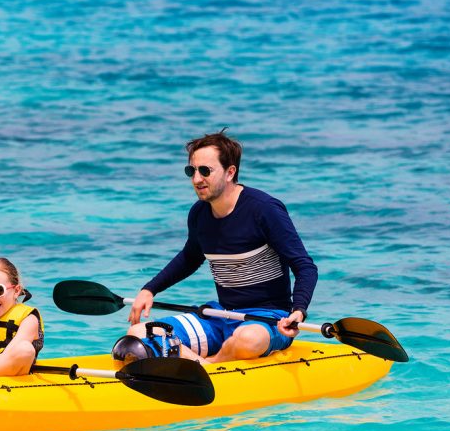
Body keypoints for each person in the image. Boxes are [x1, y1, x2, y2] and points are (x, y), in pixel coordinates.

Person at [119, 129, 318, 364]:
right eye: (191, 171)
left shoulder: (264, 210)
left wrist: (298, 311)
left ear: (230, 172)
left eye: (205, 171)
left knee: (247, 340)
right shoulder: (199, 214)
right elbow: (189, 258)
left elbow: (304, 266)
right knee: (140, 334)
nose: (196, 179)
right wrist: (149, 290)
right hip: (220, 315)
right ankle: (204, 364)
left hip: (268, 320)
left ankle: (210, 364)